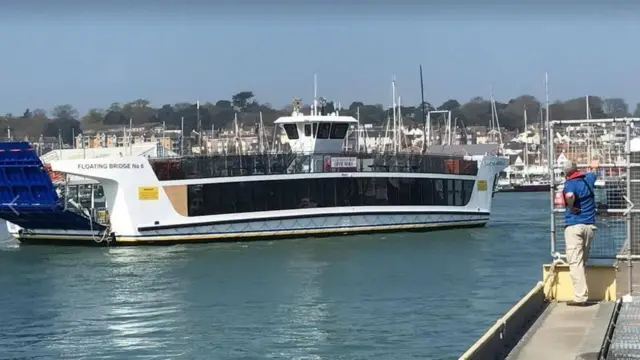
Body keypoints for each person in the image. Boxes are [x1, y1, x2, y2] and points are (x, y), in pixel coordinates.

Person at [562, 159, 599, 306]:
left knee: (575, 262)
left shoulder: (569, 183)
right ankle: (582, 293)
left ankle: (580, 297)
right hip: (589, 226)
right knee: (582, 260)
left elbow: (570, 195)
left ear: (565, 172)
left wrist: (571, 206)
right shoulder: (587, 179)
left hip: (574, 226)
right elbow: (594, 174)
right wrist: (594, 167)